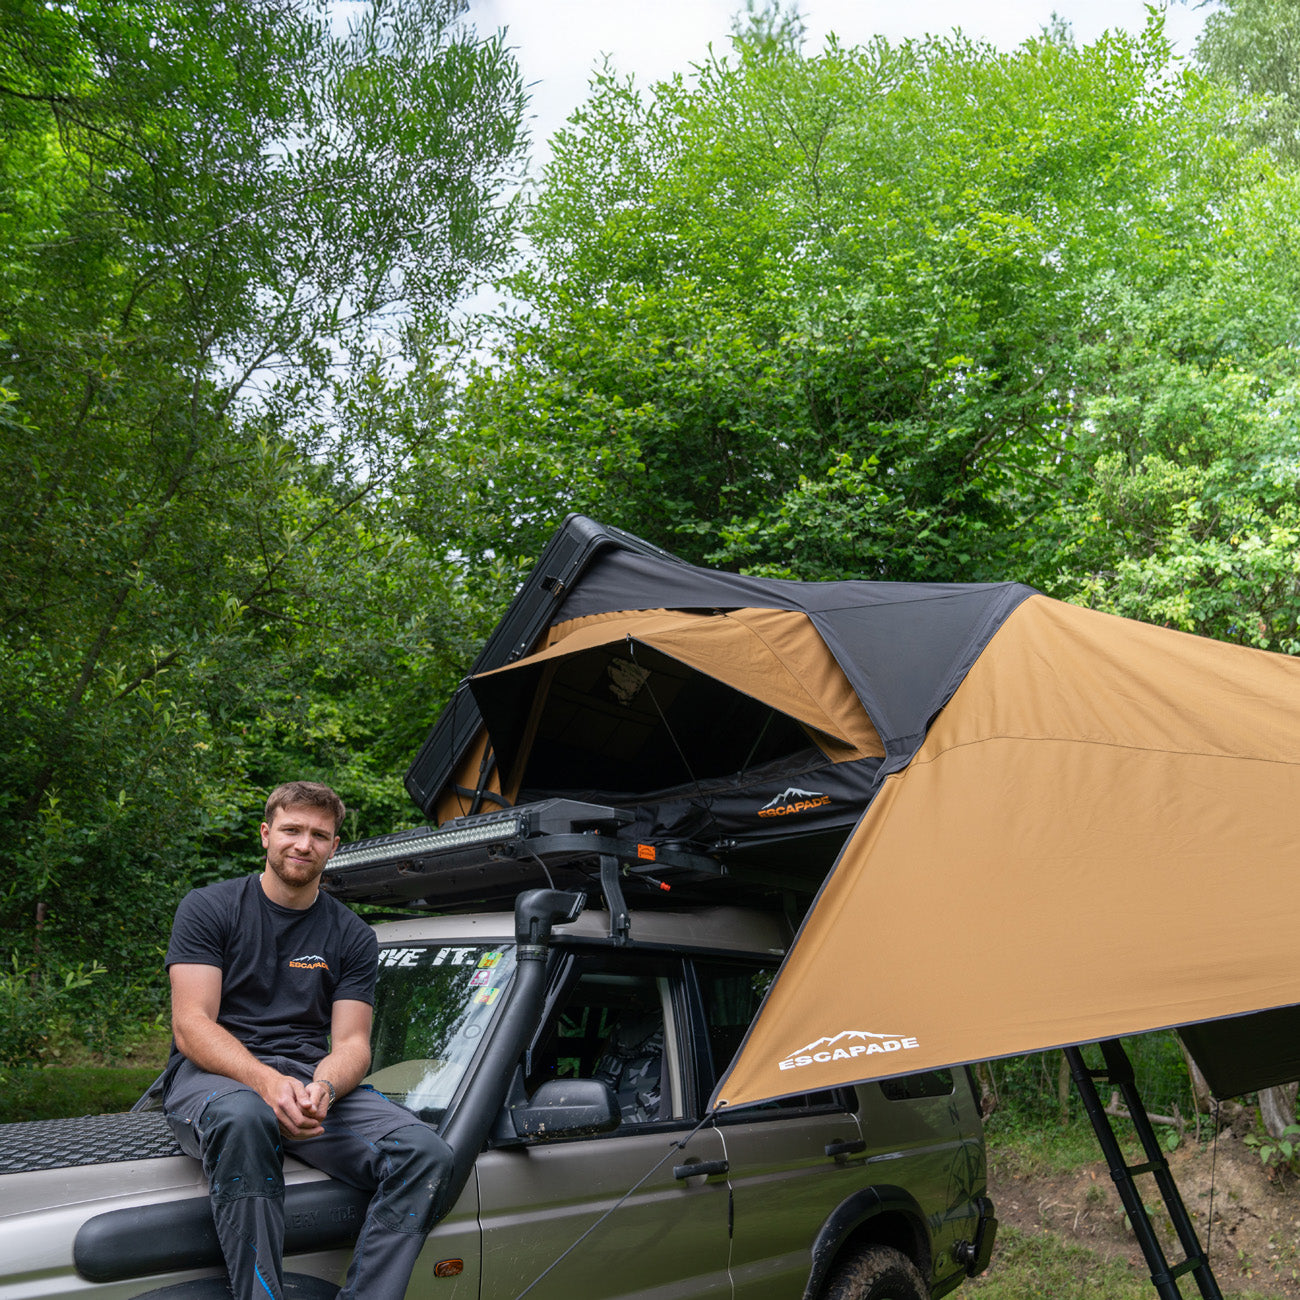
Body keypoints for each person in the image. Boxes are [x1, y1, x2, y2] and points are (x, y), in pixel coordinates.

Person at [161, 780, 451, 1300]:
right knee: (245, 1116)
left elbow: (353, 1043)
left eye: (320, 835)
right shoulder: (209, 908)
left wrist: (325, 1089)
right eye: (291, 830)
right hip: (216, 1077)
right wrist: (266, 1082)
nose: (304, 844)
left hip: (305, 1080)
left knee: (425, 1153)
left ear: (334, 846)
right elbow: (192, 1026)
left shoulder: (352, 935)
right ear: (266, 834)